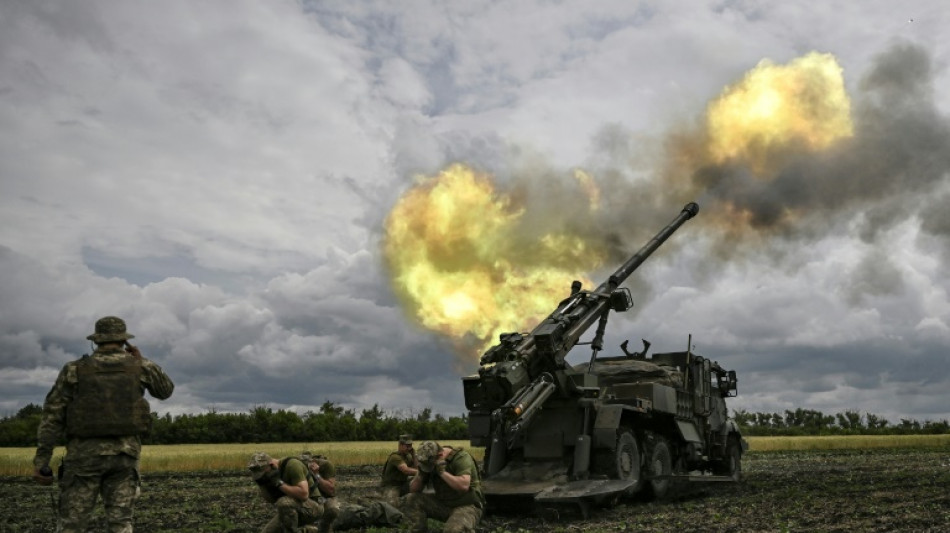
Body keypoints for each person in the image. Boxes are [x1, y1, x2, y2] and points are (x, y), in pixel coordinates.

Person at [32, 316, 175, 533]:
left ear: (96, 341)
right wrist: (142, 360)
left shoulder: (74, 369)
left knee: (72, 524)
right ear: (124, 340)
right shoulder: (140, 366)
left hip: (83, 458)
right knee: (120, 523)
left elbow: (52, 416)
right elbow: (165, 390)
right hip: (125, 457)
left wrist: (42, 461)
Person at [404, 441, 484, 533]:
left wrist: (442, 472)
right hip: (444, 504)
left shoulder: (460, 458)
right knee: (412, 499)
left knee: (453, 530)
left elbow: (464, 486)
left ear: (440, 455)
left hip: (466, 505)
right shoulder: (428, 459)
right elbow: (413, 489)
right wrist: (421, 474)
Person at [248, 451, 339, 533]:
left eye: (264, 473)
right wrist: (262, 485)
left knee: (284, 502)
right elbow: (272, 500)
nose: (264, 476)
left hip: (314, 505)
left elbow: (304, 494)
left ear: (271, 465)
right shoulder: (270, 475)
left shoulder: (292, 465)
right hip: (294, 507)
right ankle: (308, 530)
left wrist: (279, 483)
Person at [380, 434, 418, 504]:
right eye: (407, 446)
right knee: (392, 504)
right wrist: (421, 473)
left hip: (402, 484)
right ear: (400, 445)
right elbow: (406, 470)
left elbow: (416, 468)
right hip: (391, 486)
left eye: (411, 446)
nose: (410, 448)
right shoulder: (395, 457)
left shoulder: (408, 457)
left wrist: (414, 455)